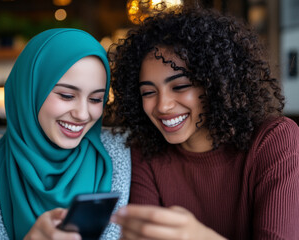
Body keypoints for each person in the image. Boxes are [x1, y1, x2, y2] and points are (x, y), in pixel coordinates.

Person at [107, 6, 299, 240]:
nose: (162, 105)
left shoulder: (274, 140)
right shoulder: (145, 152)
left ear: (215, 84)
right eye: (148, 92)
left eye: (180, 86)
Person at [0, 28, 131, 240]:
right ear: (30, 90)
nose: (83, 114)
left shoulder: (116, 148)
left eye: (96, 99)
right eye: (67, 95)